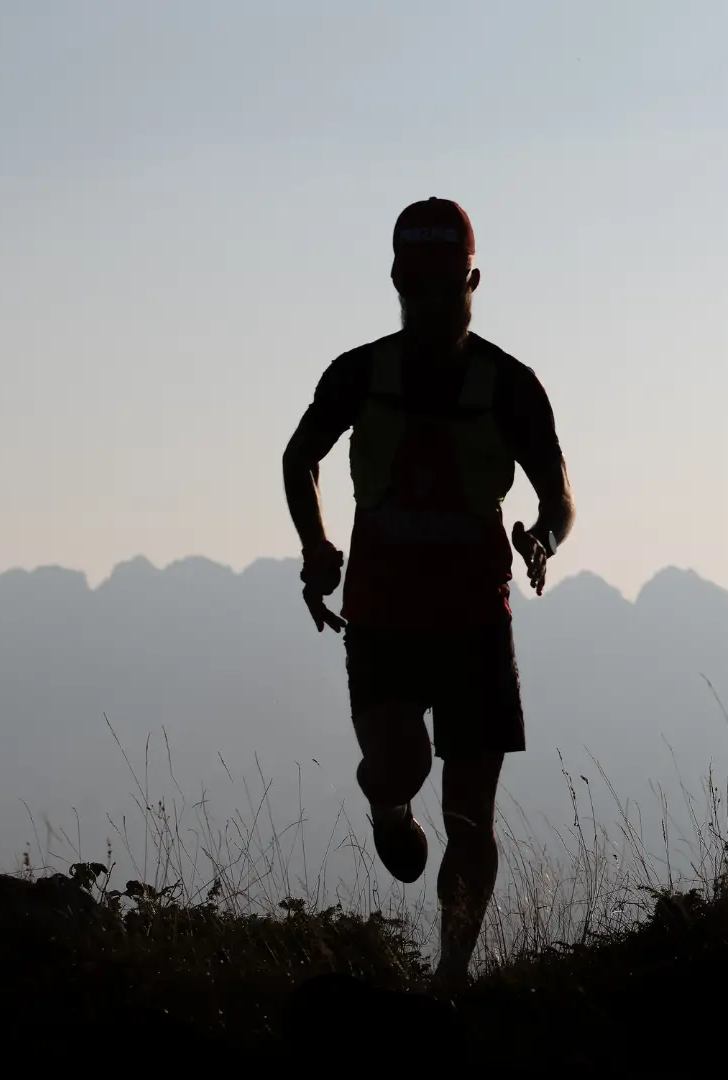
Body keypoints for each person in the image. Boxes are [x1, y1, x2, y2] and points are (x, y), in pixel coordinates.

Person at [281, 197, 575, 988]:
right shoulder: (359, 374)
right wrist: (316, 551)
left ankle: (450, 981)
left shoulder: (510, 386)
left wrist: (542, 541)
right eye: (420, 289)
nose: (436, 305)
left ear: (474, 281)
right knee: (400, 760)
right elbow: (298, 458)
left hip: (478, 620)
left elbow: (559, 498)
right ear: (396, 282)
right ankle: (386, 804)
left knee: (470, 817)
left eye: (450, 289)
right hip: (381, 617)